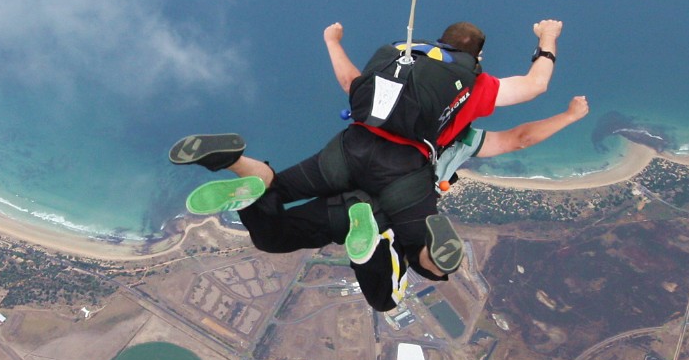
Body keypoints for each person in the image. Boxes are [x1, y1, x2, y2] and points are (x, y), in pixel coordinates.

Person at [172, 18, 571, 311]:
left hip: (350, 149)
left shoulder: (404, 58)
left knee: (272, 222)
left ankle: (241, 166)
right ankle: (373, 248)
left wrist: (332, 41)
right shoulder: (475, 87)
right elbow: (531, 97)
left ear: (442, 40)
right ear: (477, 57)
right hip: (400, 179)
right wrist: (547, 38)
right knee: (403, 284)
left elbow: (351, 83)